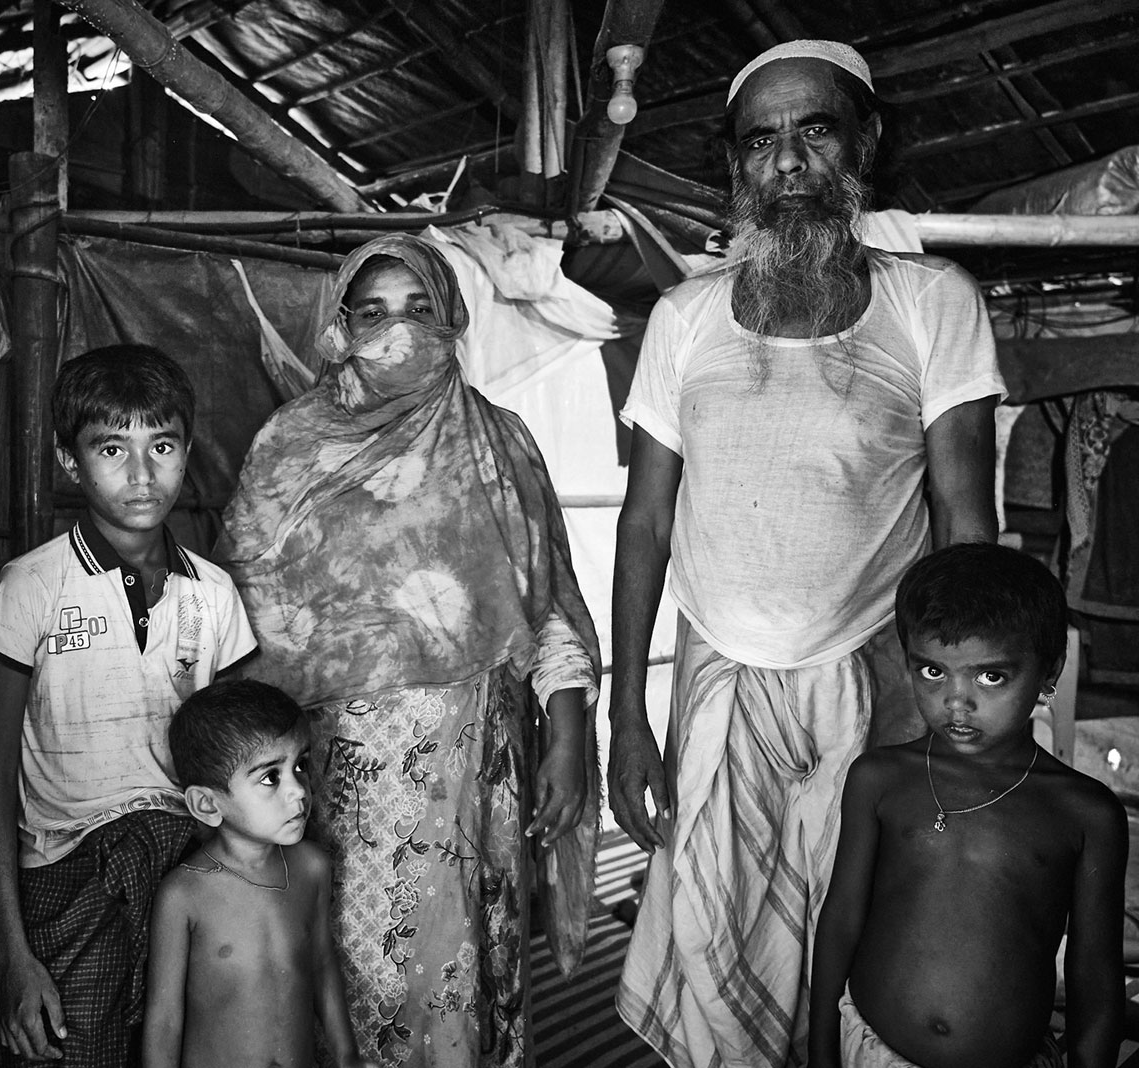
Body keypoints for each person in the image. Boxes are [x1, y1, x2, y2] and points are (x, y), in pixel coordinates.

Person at [609, 40, 1006, 1068]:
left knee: (862, 938)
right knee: (715, 949)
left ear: (863, 141)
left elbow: (967, 519)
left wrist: (957, 708)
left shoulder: (931, 302)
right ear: (736, 167)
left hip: (875, 676)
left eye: (813, 130)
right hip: (717, 684)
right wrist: (624, 719)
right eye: (759, 141)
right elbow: (645, 523)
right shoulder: (685, 316)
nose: (786, 162)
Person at [218, 233, 601, 1068]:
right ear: (341, 327)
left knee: (469, 974)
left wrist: (567, 737)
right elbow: (242, 631)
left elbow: (552, 606)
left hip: (479, 773)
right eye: (373, 312)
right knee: (358, 987)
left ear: (455, 319)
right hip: (333, 787)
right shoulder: (289, 449)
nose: (398, 331)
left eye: (420, 309)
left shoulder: (501, 444)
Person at [0, 345, 257, 1066]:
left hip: (189, 869)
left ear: (186, 451)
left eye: (161, 446)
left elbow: (238, 759)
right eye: (111, 448)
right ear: (71, 462)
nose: (141, 474)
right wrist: (12, 957)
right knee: (76, 1050)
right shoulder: (30, 587)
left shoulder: (214, 595)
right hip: (65, 878)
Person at [809, 543, 1127, 1068]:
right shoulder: (880, 779)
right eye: (932, 672)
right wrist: (822, 1050)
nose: (956, 701)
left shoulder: (1085, 814)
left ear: (1050, 670)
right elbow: (841, 918)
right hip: (871, 1051)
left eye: (990, 676)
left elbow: (1096, 978)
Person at [143, 679, 378, 1068]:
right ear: (207, 804)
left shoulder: (312, 869)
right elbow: (164, 1020)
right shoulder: (183, 895)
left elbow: (320, 964)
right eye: (271, 777)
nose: (299, 791)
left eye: (300, 765)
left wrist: (347, 1056)